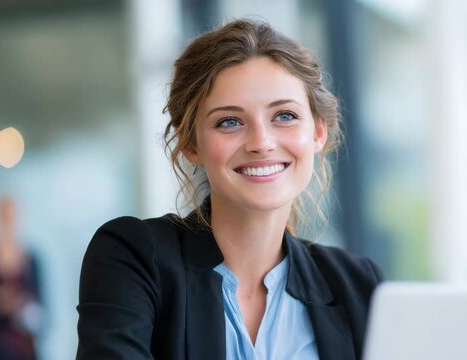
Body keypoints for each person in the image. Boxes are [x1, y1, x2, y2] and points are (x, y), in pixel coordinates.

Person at [76, 19, 383, 360]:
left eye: (284, 116)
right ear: (191, 144)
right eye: (230, 122)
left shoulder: (358, 284)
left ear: (318, 132)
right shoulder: (132, 257)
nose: (261, 143)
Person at [0, 197, 43, 360]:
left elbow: (44, 313)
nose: (9, 224)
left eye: (12, 217)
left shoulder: (32, 261)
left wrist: (23, 307)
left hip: (26, 351)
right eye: (4, 218)